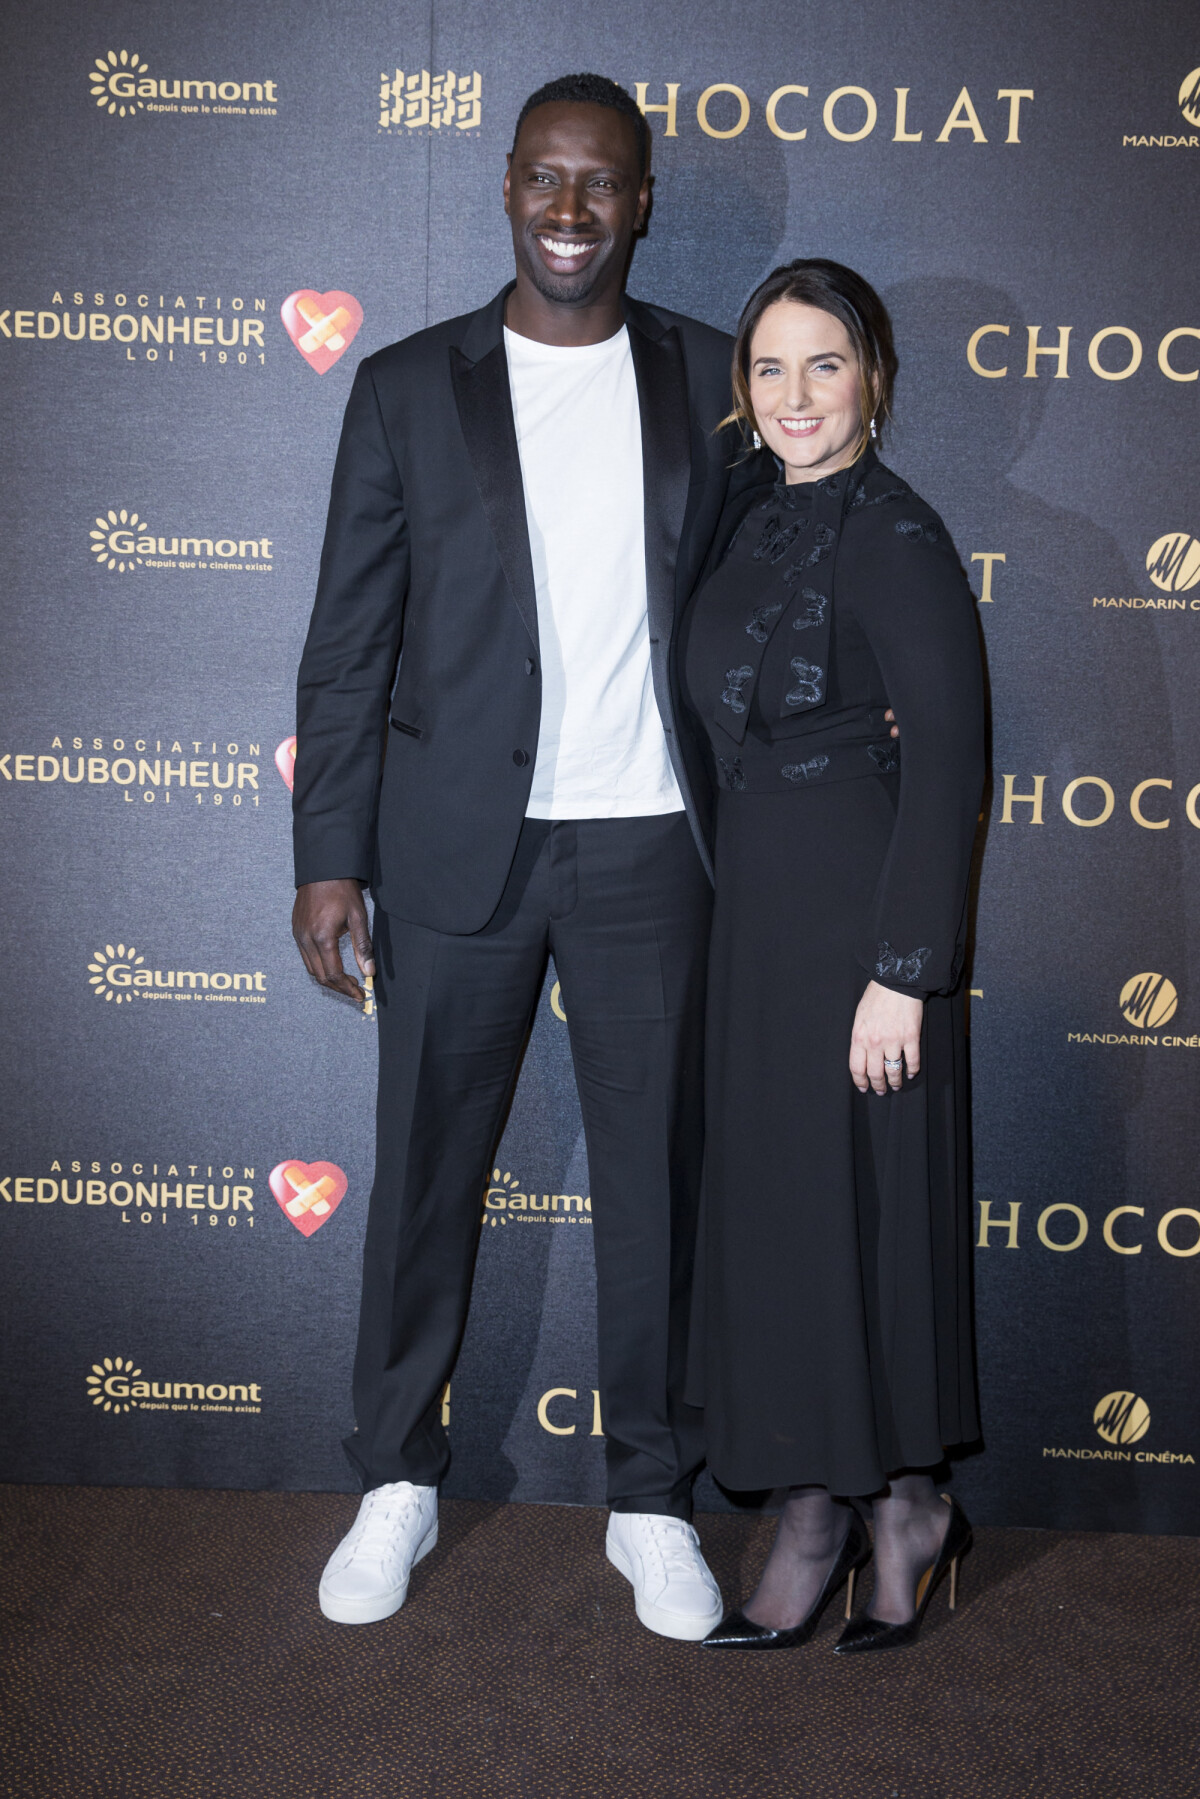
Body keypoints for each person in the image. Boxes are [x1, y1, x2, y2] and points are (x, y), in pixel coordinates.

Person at [290, 75, 764, 1640]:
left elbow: (768, 614)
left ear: (646, 198)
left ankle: (651, 1500)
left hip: (653, 854)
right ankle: (395, 1481)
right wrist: (327, 855)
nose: (572, 212)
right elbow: (347, 648)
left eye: (603, 184)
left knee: (662, 1192)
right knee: (427, 1175)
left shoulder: (712, 378)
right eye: (547, 180)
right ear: (505, 187)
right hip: (450, 852)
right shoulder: (408, 386)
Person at [683, 260, 984, 1653]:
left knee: (868, 1224)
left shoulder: (901, 533)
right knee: (783, 1228)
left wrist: (905, 969)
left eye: (825, 365)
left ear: (875, 378)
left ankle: (907, 1508)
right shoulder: (739, 512)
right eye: (768, 368)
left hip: (860, 928)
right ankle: (811, 1509)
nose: (795, 396)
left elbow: (952, 767)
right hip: (752, 923)